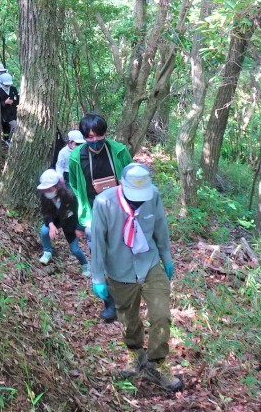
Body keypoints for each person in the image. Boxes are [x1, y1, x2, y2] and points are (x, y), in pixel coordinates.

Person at [89, 163, 182, 392]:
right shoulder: (104, 202)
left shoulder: (154, 196)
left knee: (161, 316)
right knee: (128, 318)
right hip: (119, 269)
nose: (137, 201)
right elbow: (98, 242)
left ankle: (157, 364)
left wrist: (166, 257)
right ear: (122, 185)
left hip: (149, 264)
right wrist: (97, 276)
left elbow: (160, 226)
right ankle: (135, 354)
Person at [68, 113, 132, 321]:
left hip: (120, 212)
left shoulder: (119, 151)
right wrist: (80, 218)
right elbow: (76, 187)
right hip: (93, 214)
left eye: (99, 135)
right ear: (84, 136)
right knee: (99, 254)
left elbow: (132, 178)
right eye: (90, 137)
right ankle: (110, 303)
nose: (95, 141)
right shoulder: (76, 157)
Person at [36, 169, 90, 275]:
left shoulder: (70, 195)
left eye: (49, 188)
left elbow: (81, 211)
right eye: (44, 189)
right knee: (44, 231)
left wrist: (79, 228)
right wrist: (51, 225)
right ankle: (47, 252)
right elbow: (46, 212)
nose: (46, 191)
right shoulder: (45, 197)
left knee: (75, 250)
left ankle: (85, 264)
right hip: (56, 219)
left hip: (70, 223)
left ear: (57, 186)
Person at [0, 73, 19, 145]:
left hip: (14, 111)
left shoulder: (13, 89)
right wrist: (5, 102)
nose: (8, 86)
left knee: (13, 127)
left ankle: (10, 139)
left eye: (9, 84)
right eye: (6, 85)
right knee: (13, 125)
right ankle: (8, 140)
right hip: (5, 114)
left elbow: (17, 98)